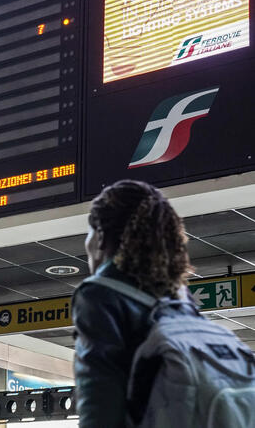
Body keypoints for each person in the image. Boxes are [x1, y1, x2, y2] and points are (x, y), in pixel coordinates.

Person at [72, 179, 193, 427]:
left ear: (101, 236)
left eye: (89, 232)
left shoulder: (99, 295)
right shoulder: (179, 295)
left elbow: (100, 408)